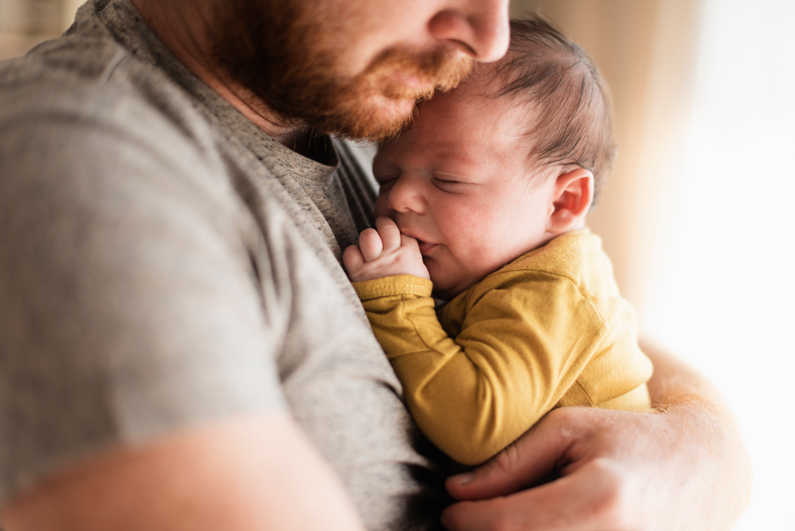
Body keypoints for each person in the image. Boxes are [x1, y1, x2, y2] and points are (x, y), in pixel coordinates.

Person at [0, 0, 750, 530]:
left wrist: (704, 453)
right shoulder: (81, 165)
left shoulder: (380, 115)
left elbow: (579, 316)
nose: (487, 34)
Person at [343, 18, 654, 467]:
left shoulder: (556, 290)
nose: (399, 198)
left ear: (563, 202)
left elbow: (475, 424)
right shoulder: (495, 267)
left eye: (448, 180)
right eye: (386, 176)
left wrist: (396, 301)